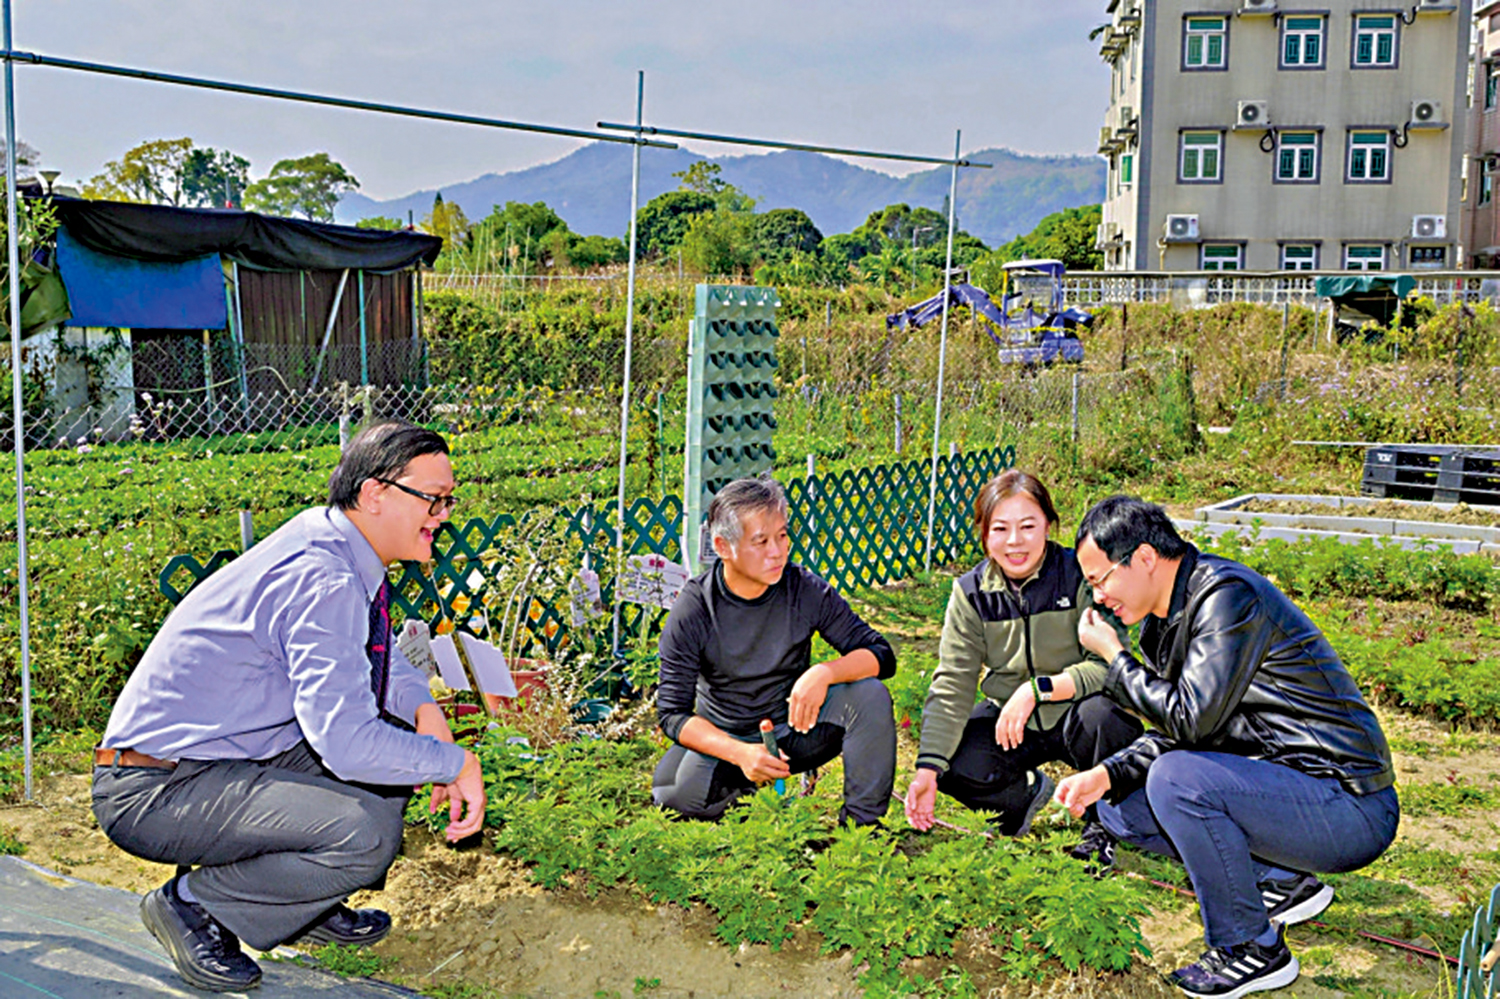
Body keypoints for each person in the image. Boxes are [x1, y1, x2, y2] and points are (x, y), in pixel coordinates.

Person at [92, 421, 487, 993]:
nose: (443, 514)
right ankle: (192, 905)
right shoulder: (323, 576)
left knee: (392, 766)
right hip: (154, 789)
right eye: (433, 498)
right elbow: (346, 743)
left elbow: (372, 655)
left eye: (449, 500)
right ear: (376, 494)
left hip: (219, 761)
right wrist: (456, 764)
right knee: (364, 833)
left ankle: (298, 903)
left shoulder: (337, 544)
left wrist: (424, 707)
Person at [1056, 496, 1398, 999]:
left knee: (1177, 782)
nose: (1099, 598)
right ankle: (1282, 880)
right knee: (1124, 814)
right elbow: (1183, 729)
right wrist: (1105, 776)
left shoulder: (1226, 597)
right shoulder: (1165, 623)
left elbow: (1191, 720)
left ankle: (1252, 948)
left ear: (1145, 558)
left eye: (1100, 580)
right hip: (1289, 790)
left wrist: (1115, 659)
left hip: (1349, 803)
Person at [903, 470, 1142, 861]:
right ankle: (1019, 804)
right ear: (983, 533)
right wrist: (926, 772)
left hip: (1079, 712)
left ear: (1048, 524)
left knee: (1107, 718)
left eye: (1028, 526)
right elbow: (953, 684)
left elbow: (1111, 664)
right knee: (949, 760)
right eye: (1000, 528)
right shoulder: (971, 593)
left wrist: (1037, 690)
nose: (1014, 542)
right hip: (1010, 723)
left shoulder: (1080, 575)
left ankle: (1102, 827)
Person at [653, 476, 898, 827]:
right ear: (723, 546)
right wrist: (739, 752)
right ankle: (748, 792)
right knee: (671, 794)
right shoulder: (695, 608)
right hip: (728, 739)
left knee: (869, 696)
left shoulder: (804, 589)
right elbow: (672, 714)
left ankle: (862, 827)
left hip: (794, 733)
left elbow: (880, 653)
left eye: (782, 535)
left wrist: (825, 672)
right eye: (761, 541)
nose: (778, 551)